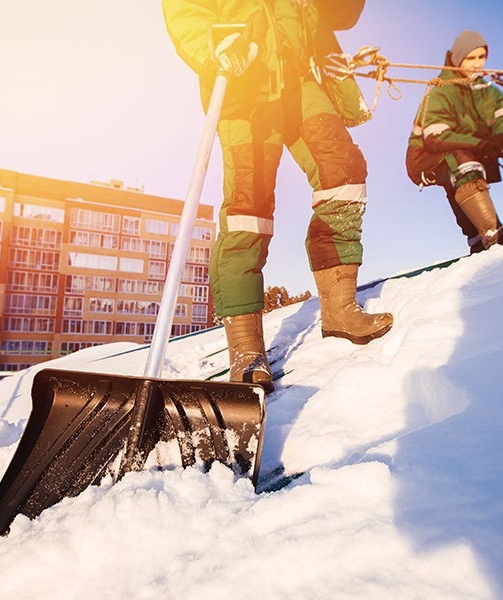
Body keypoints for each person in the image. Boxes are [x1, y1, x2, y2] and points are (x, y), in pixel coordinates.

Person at [162, 0, 393, 392]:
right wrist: (212, 44)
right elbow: (185, 10)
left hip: (302, 80)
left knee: (343, 170)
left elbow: (343, 12)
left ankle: (339, 308)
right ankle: (246, 346)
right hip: (245, 79)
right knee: (248, 207)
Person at [406, 30, 503, 254]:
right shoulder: (441, 90)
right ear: (458, 59)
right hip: (425, 156)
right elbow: (437, 137)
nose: (477, 64)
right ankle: (491, 233)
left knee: (464, 169)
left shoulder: (487, 92)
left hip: (465, 150)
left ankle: (478, 239)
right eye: (471, 58)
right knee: (462, 164)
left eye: (481, 57)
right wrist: (479, 144)